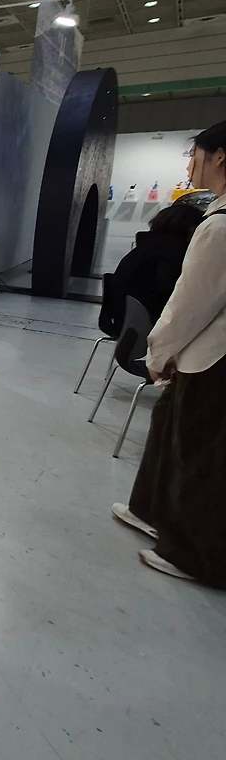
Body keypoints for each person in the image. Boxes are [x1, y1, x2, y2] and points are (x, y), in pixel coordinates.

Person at [112, 120, 226, 584]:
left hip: (210, 358)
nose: (190, 164)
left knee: (196, 451)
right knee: (168, 429)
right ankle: (150, 510)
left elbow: (189, 304)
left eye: (194, 154)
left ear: (219, 156)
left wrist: (158, 354)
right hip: (200, 353)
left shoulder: (218, 228)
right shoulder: (216, 217)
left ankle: (193, 555)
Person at [98, 202, 203, 337]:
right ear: (191, 229)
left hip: (125, 322)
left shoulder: (146, 247)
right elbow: (171, 289)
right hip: (146, 327)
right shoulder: (172, 251)